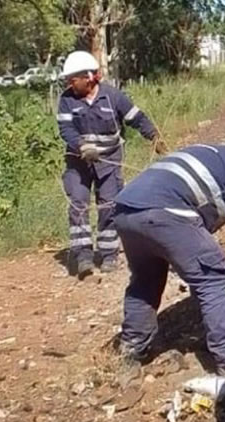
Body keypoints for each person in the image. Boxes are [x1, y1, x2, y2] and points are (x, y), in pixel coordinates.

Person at [112, 131, 225, 375]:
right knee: (215, 276)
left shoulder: (218, 154)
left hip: (126, 210)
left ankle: (132, 348)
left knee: (146, 279)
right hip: (164, 211)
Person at [56, 50, 167, 279]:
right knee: (78, 203)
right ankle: (83, 256)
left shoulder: (113, 97)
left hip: (108, 161)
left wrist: (154, 137)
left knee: (108, 204)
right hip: (78, 161)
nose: (69, 83)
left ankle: (108, 254)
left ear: (89, 77)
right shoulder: (67, 100)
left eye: (73, 79)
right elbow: (66, 130)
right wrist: (81, 146)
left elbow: (137, 118)